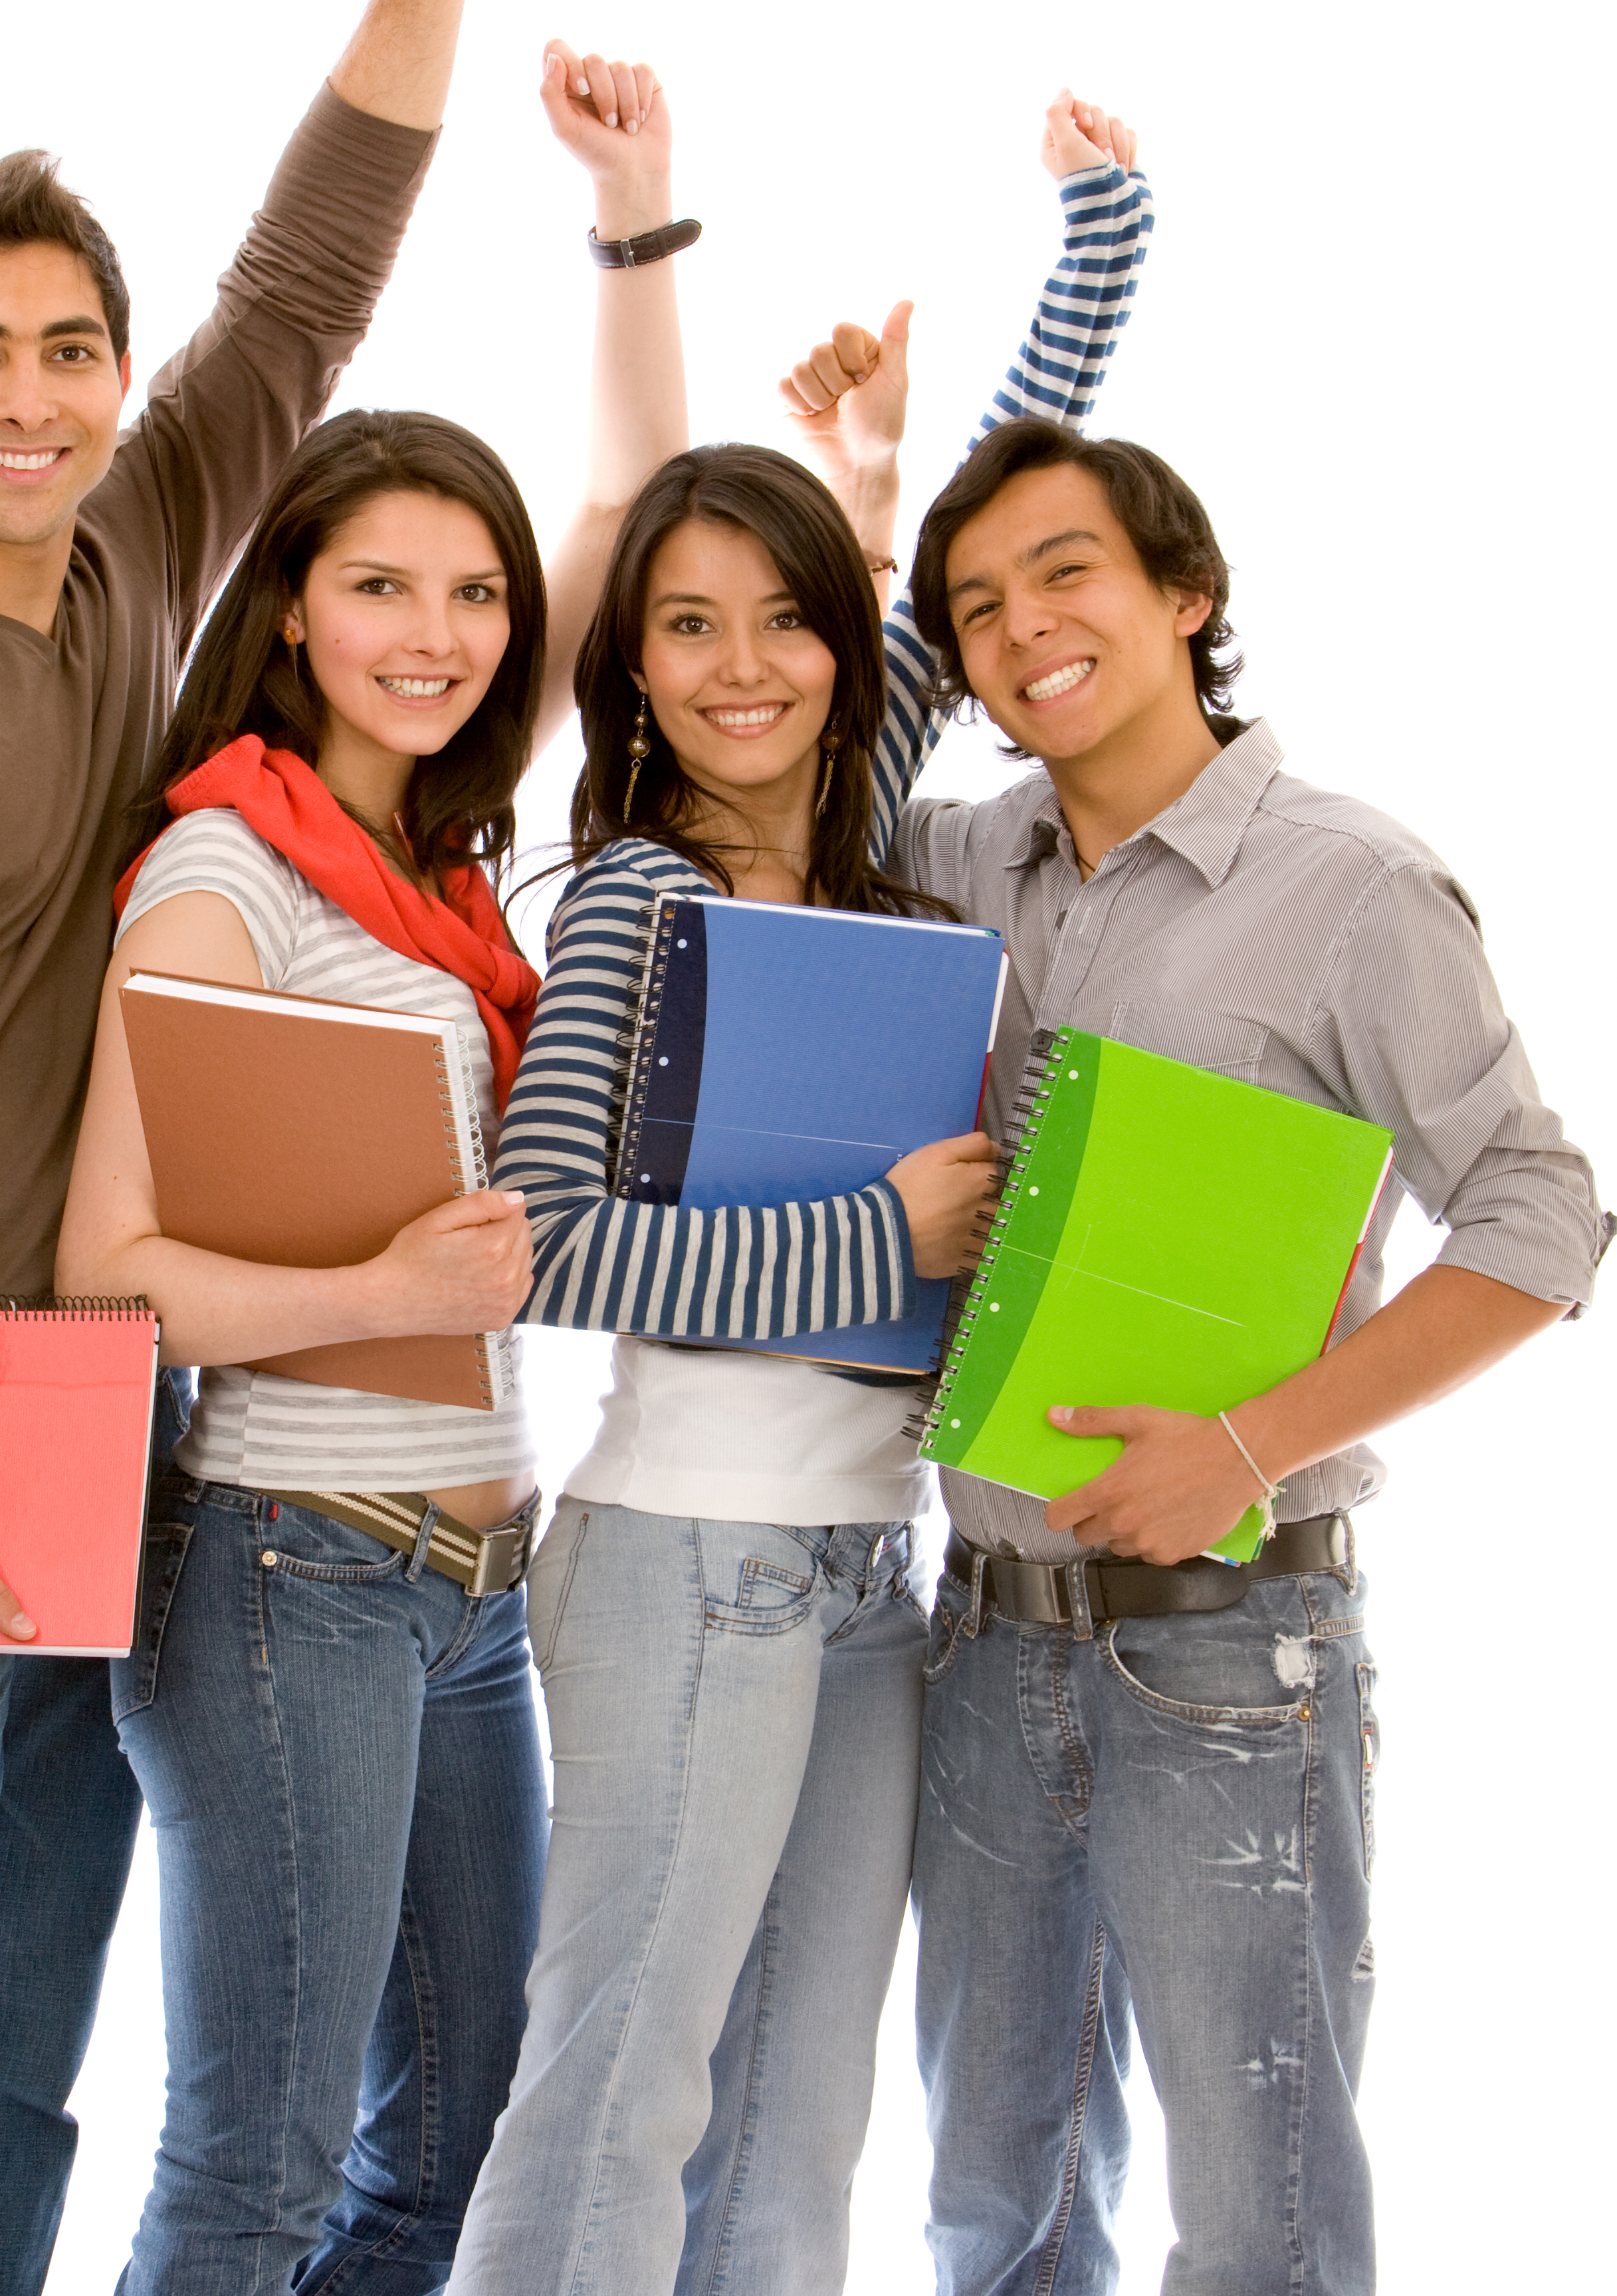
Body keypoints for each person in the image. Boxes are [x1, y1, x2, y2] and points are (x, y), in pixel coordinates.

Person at [0, 5, 479, 2286]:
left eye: (68, 348)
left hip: (103, 1417)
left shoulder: (137, 556)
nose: (27, 393)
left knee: (30, 2067)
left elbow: (307, 287)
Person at [448, 95, 1154, 2296]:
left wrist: (1101, 234)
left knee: (793, 2137)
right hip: (687, 1561)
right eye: (687, 627)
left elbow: (982, 530)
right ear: (631, 668)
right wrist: (878, 1240)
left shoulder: (871, 852)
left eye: (789, 620)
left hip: (870, 1578)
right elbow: (544, 1238)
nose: (746, 664)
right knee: (620, 2092)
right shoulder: (632, 901)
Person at [48, 44, 712, 2292]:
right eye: (382, 589)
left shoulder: (436, 867)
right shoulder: (230, 874)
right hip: (283, 1569)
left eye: (475, 599)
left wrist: (635, 231)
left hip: (464, 1589)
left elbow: (635, 522)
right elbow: (111, 1271)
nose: (440, 636)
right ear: (295, 603)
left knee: (440, 2156)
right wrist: (393, 1290)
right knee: (253, 2165)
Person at [893, 419, 1608, 2291]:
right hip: (979, 1635)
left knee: (1264, 2223)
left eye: (1067, 572)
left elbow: (1542, 1224)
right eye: (977, 607)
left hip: (1230, 1646)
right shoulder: (962, 861)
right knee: (995, 2207)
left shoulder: (1355, 885)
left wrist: (1247, 1437)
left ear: (1183, 595)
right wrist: (870, 465)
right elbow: (791, 704)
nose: (1024, 627)